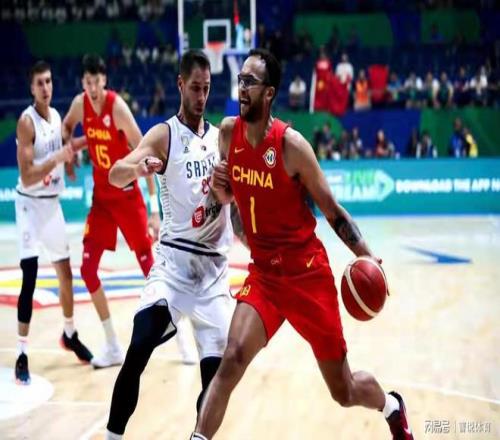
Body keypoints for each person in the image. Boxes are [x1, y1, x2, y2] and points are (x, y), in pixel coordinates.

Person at [191, 48, 414, 440]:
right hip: (265, 276)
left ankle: (392, 407)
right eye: (240, 80)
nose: (241, 87)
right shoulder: (227, 133)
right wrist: (222, 197)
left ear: (269, 92)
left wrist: (366, 256)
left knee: (343, 390)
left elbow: (332, 211)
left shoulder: (291, 146)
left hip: (306, 277)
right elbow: (232, 201)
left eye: (250, 82)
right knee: (232, 357)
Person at [104, 49, 234, 439]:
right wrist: (137, 168)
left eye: (206, 88)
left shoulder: (220, 139)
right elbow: (115, 174)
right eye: (195, 87)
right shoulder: (165, 135)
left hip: (213, 274)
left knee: (214, 385)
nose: (201, 96)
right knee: (140, 344)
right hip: (174, 266)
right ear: (180, 84)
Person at [62, 54, 161, 368]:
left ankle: (180, 335)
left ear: (104, 81)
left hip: (128, 195)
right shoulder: (79, 104)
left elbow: (145, 151)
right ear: (83, 83)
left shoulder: (117, 108)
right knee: (88, 269)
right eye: (87, 82)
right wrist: (70, 155)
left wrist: (154, 208)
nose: (92, 88)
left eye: (96, 82)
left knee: (150, 267)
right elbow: (66, 126)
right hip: (102, 200)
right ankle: (113, 345)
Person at [14, 61, 93, 384]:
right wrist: (56, 159)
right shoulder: (26, 122)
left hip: (52, 205)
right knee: (30, 276)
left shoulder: (58, 117)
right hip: (29, 206)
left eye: (48, 81)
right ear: (31, 88)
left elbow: (63, 154)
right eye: (40, 83)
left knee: (66, 275)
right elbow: (27, 176)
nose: (45, 87)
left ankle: (69, 334)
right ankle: (21, 352)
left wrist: (73, 158)